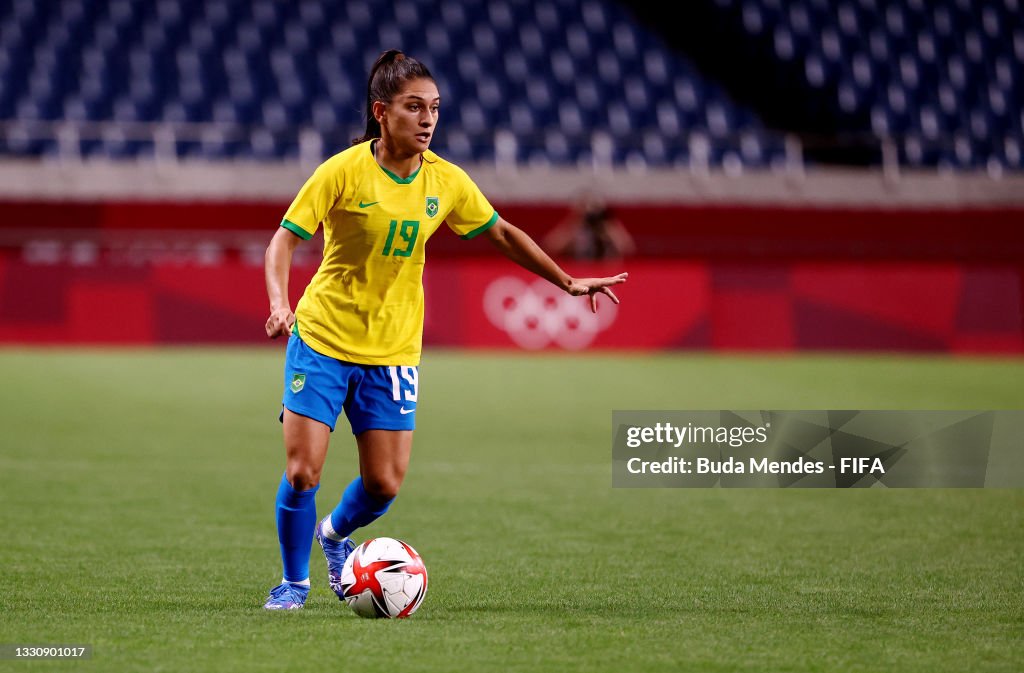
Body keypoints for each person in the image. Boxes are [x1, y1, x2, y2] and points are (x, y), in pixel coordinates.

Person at [261, 49, 627, 610]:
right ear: (381, 112)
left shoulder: (447, 182)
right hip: (322, 338)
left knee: (384, 485)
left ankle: (332, 534)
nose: (428, 119)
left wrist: (567, 282)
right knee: (302, 470)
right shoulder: (341, 171)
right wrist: (281, 303)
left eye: (434, 108)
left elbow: (501, 233)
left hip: (394, 349)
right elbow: (284, 240)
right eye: (414, 107)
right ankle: (294, 584)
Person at [543, 191, 636, 261]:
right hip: (581, 273)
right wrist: (576, 220)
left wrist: (609, 223)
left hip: (607, 273)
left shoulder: (608, 228)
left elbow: (627, 249)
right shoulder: (576, 228)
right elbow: (551, 247)